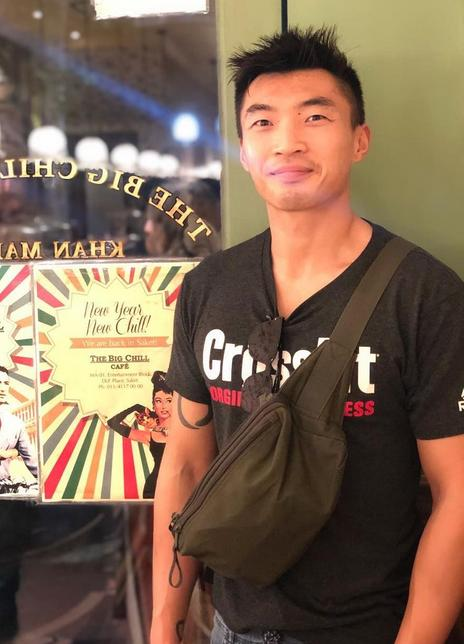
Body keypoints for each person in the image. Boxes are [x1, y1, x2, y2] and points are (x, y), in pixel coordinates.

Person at [151, 27, 464, 644]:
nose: (287, 141)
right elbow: (185, 465)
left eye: (315, 116)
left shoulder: (425, 295)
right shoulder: (209, 287)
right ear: (243, 150)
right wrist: (164, 624)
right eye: (262, 122)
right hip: (232, 627)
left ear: (359, 139)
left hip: (370, 628)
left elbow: (457, 492)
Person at [107, 370, 172, 498]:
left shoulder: (185, 430)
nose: (163, 406)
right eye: (158, 401)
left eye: (169, 400)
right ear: (153, 405)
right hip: (154, 488)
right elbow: (112, 422)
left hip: (178, 487)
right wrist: (135, 407)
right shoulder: (149, 436)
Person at [0, 366, 38, 487]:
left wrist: (49, 484)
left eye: (6, 383)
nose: (2, 388)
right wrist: (13, 452)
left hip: (3, 487)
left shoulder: (16, 424)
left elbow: (30, 458)